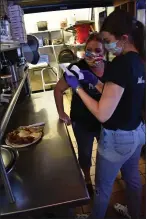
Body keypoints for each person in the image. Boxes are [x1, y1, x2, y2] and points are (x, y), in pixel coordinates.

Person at [64, 9, 146, 219]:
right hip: (137, 134)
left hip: (118, 139)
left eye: (107, 40)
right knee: (133, 179)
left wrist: (78, 88)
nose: (107, 46)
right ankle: (136, 214)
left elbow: (102, 114)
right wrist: (95, 81)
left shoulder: (120, 63)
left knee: (102, 187)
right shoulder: (140, 61)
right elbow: (117, 94)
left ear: (124, 38)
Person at [54, 32, 108, 197]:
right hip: (82, 122)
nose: (93, 54)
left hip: (104, 122)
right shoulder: (76, 68)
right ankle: (87, 180)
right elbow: (58, 89)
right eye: (89, 50)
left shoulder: (112, 68)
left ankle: (104, 179)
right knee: (85, 154)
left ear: (104, 52)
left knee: (105, 154)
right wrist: (61, 112)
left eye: (98, 50)